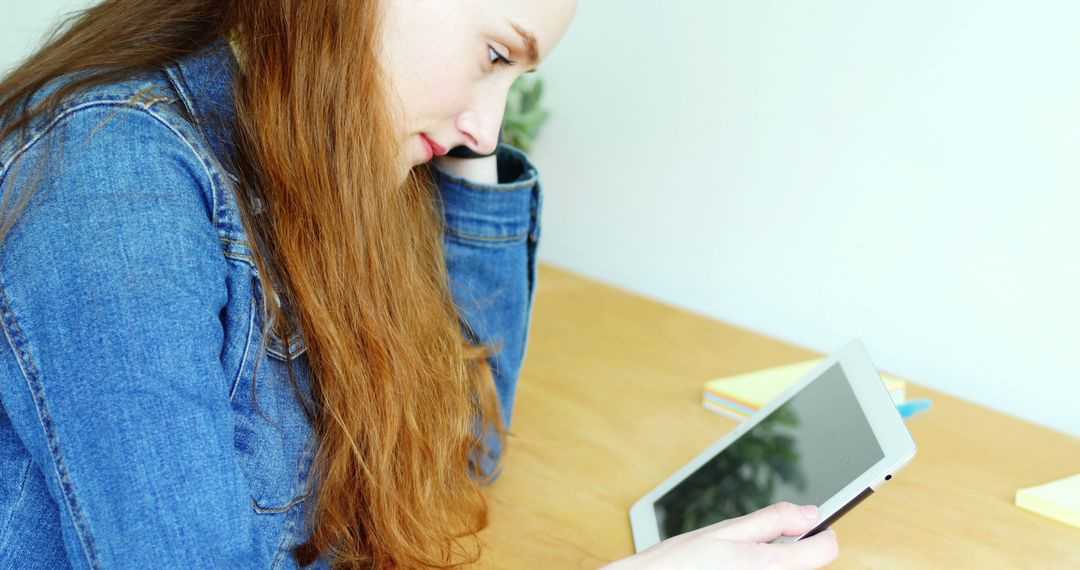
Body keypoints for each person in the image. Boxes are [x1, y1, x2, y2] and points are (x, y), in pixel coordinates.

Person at [0, 1, 839, 568]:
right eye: (494, 53)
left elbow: (455, 454)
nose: (489, 122)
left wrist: (466, 160)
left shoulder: (317, 150)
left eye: (516, 79)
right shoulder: (110, 187)